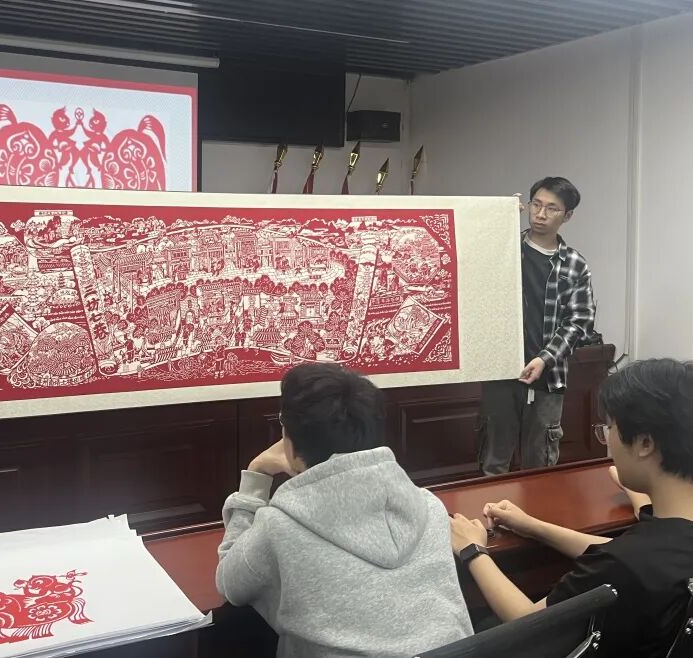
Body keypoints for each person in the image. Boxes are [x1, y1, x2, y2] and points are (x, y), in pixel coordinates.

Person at [216, 362, 472, 657]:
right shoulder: (430, 506)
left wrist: (257, 473)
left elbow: (229, 583)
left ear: (290, 443)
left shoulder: (279, 527)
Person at [452, 358, 693, 657]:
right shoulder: (655, 547)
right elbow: (617, 550)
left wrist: (472, 550)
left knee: (484, 626)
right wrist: (533, 526)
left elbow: (528, 620)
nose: (607, 442)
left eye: (609, 428)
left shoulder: (625, 564)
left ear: (645, 443)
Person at [478, 176, 596, 475]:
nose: (540, 214)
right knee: (494, 462)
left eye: (551, 208)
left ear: (567, 215)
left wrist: (545, 358)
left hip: (548, 377)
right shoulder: (505, 249)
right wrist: (500, 224)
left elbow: (580, 321)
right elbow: (471, 265)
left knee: (540, 467)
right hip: (501, 373)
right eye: (536, 205)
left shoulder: (574, 264)